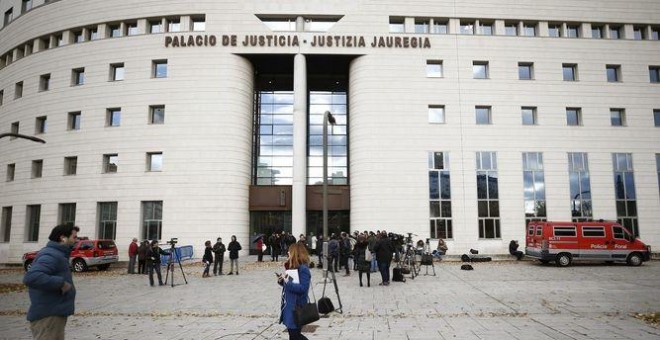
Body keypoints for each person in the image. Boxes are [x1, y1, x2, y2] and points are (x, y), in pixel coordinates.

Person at [23, 224, 80, 340]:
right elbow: (32, 277)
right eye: (74, 237)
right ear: (63, 238)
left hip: (53, 314)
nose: (76, 240)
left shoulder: (57, 254)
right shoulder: (51, 254)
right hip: (48, 316)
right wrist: (61, 283)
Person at [277, 243, 311, 340]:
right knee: (293, 335)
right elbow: (289, 285)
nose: (287, 252)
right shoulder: (292, 267)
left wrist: (287, 282)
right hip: (289, 306)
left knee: (295, 336)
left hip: (297, 307)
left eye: (289, 251)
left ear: (295, 253)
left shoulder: (303, 269)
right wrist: (282, 281)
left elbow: (303, 288)